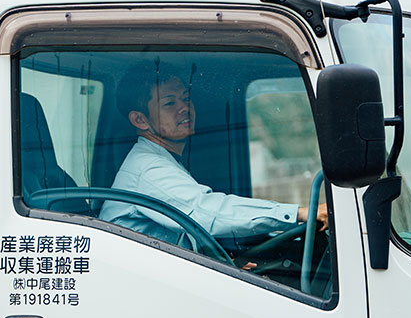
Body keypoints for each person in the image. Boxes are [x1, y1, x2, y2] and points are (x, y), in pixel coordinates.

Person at [99, 63, 328, 255]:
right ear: (140, 120)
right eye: (170, 103)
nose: (184, 108)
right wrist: (298, 213)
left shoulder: (162, 160)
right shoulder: (148, 169)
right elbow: (207, 211)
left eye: (186, 98)